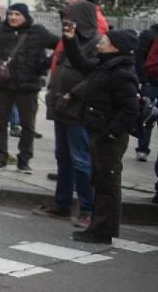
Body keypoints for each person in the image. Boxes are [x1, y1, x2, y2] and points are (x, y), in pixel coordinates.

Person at [61, 27, 142, 244]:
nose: (99, 43)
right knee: (101, 179)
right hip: (99, 133)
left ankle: (103, 231)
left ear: (116, 47)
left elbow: (130, 110)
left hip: (109, 137)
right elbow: (80, 63)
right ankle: (98, 227)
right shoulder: (105, 66)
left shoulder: (121, 73)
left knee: (108, 182)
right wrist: (70, 41)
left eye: (104, 40)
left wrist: (111, 133)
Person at [40, 1, 98, 225]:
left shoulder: (95, 43)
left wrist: (73, 94)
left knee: (81, 162)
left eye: (71, 18)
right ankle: (61, 204)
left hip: (78, 112)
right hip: (62, 110)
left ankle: (87, 209)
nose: (66, 22)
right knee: (63, 159)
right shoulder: (68, 42)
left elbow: (93, 74)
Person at [0, 3, 56, 172]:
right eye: (10, 14)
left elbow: (59, 45)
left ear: (25, 16)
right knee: (0, 123)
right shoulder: (0, 31)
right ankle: (0, 158)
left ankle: (24, 160)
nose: (13, 17)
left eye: (17, 14)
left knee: (27, 125)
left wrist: (44, 65)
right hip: (4, 86)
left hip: (28, 88)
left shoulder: (37, 32)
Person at [132, 21, 157, 164]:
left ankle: (142, 149)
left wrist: (143, 79)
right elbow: (139, 57)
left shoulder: (148, 34)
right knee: (148, 115)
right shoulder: (149, 34)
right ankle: (142, 148)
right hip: (150, 81)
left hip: (150, 81)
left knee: (147, 117)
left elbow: (139, 56)